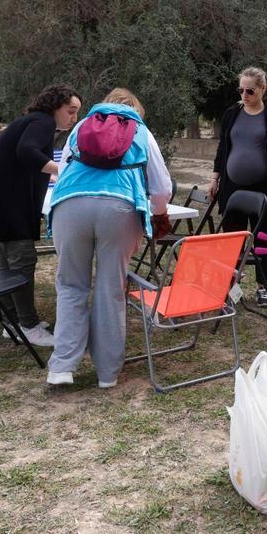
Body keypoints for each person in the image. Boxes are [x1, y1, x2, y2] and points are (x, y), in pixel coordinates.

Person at [44, 88, 172, 388]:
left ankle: (62, 367)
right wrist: (158, 212)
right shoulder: (141, 131)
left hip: (70, 206)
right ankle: (107, 374)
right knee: (111, 288)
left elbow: (63, 171)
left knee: (71, 285)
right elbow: (162, 187)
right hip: (119, 208)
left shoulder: (80, 126)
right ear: (136, 110)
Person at [0, 83, 82, 347]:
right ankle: (28, 326)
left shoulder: (33, 120)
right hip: (5, 202)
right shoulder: (42, 123)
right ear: (55, 106)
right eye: (71, 111)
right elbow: (26, 151)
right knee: (22, 261)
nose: (74, 119)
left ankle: (12, 320)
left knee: (6, 260)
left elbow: (24, 155)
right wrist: (62, 171)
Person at [209, 67, 267, 307]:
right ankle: (230, 285)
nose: (244, 95)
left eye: (250, 91)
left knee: (264, 237)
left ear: (262, 90)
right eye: (241, 90)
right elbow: (223, 149)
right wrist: (215, 178)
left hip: (266, 188)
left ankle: (263, 286)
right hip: (232, 187)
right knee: (232, 238)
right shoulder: (231, 114)